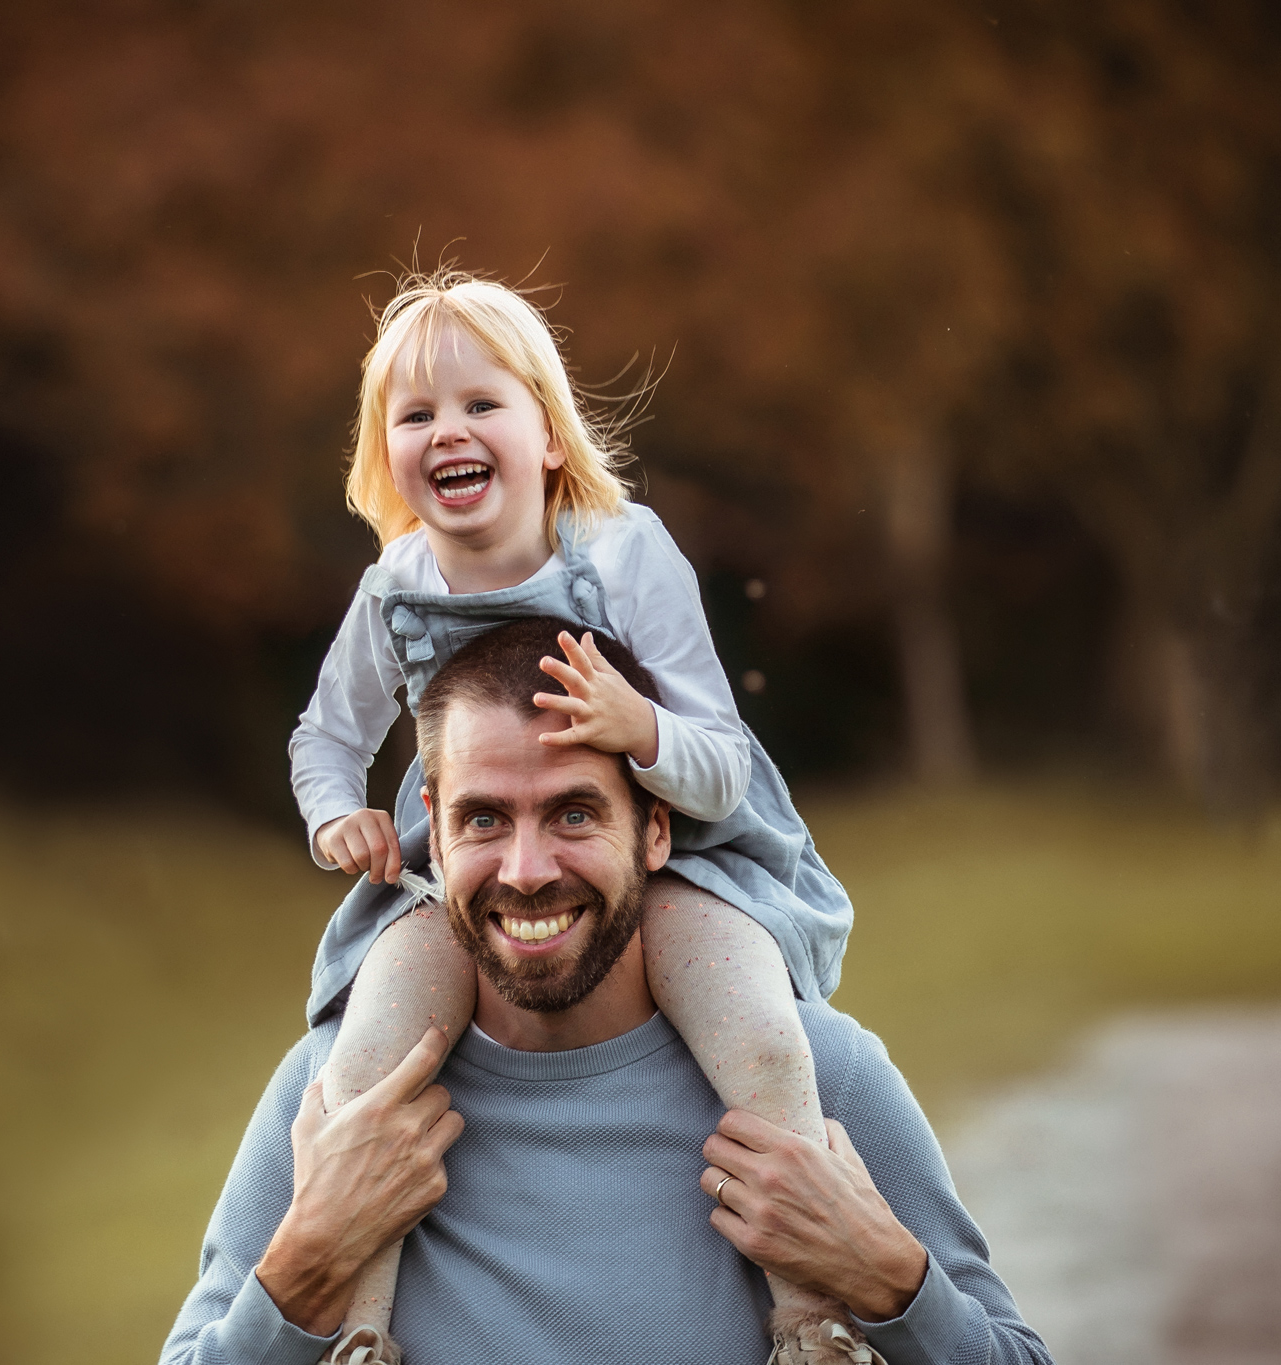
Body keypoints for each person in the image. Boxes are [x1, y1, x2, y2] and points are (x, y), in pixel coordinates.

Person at [163, 618, 1052, 1365]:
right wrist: (307, 1264)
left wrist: (892, 1278)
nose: (526, 869)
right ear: (432, 829)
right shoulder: (334, 1106)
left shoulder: (817, 1079)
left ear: (656, 828)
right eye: (483, 819)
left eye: (574, 813)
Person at [289, 271, 857, 1362]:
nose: (446, 430)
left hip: (669, 847)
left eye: (478, 405)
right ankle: (359, 1339)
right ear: (386, 458)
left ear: (547, 437)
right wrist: (335, 820)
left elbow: (722, 769)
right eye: (414, 416)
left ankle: (806, 1319)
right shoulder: (394, 588)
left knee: (760, 1035)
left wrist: (636, 726)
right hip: (470, 867)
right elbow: (325, 738)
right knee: (362, 1061)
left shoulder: (620, 550)